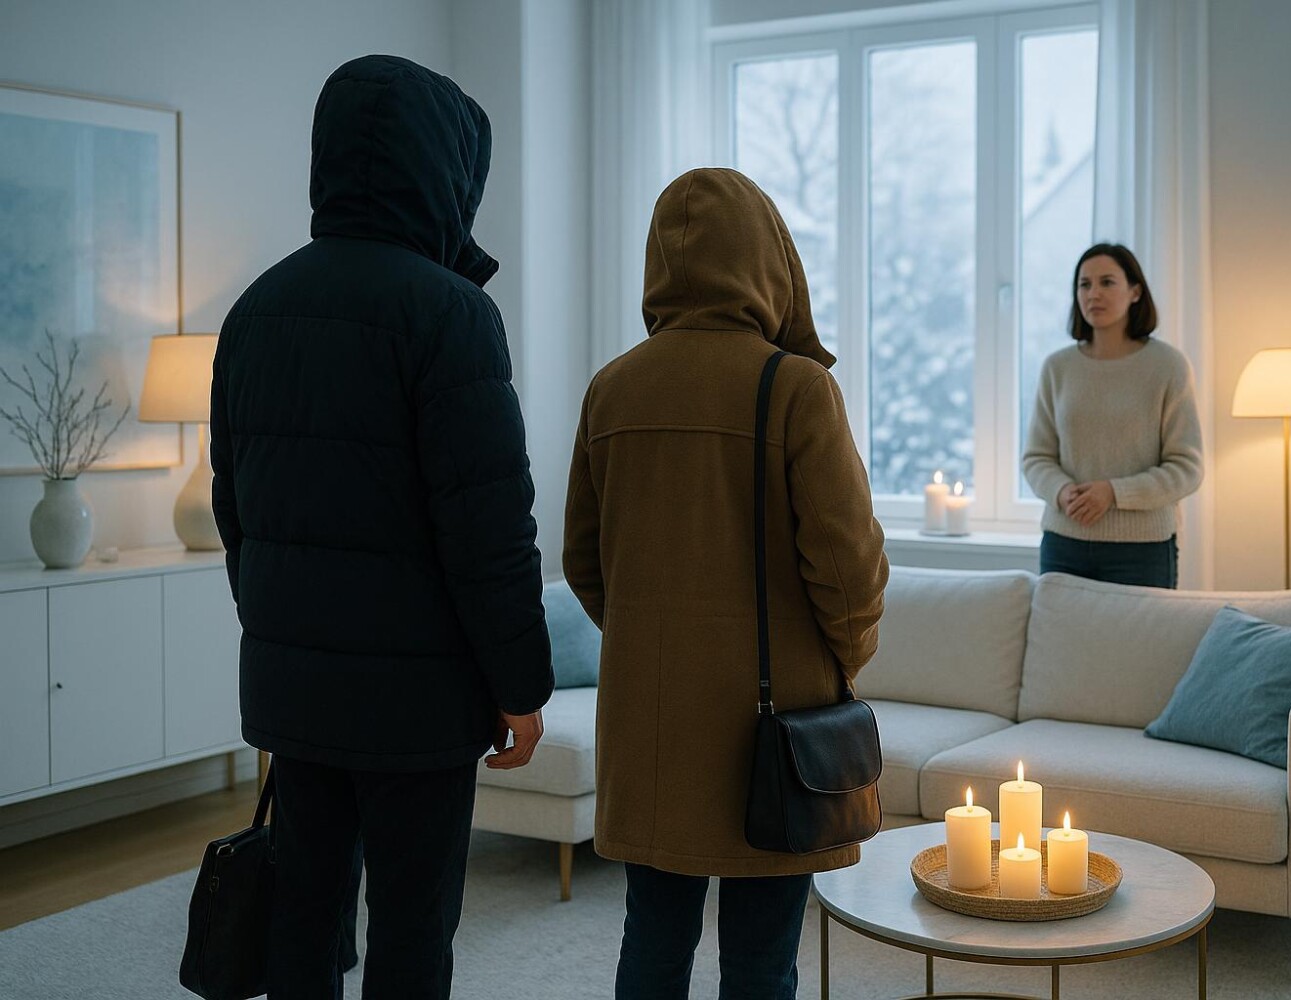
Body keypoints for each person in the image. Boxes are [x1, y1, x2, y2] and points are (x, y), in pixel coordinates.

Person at [210, 55, 553, 999]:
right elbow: (490, 531)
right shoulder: (452, 316)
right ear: (444, 166)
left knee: (304, 915)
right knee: (412, 925)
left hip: (295, 690)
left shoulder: (254, 310)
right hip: (421, 706)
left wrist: (283, 630)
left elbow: (234, 509)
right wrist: (520, 684)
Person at [563, 167, 889, 1000]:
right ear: (767, 257)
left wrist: (648, 638)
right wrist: (844, 660)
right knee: (760, 956)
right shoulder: (794, 386)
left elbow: (583, 560)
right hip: (771, 727)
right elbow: (847, 567)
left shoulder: (612, 387)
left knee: (653, 940)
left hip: (649, 724)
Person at [1022, 243, 1204, 589]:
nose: (1094, 294)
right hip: (1064, 544)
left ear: (1135, 292)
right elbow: (1036, 457)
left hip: (1143, 551)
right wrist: (1061, 492)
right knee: (1061, 645)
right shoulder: (1058, 368)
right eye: (1084, 284)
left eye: (1107, 282)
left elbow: (1187, 468)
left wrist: (1114, 493)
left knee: (1143, 645)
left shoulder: (1168, 366)